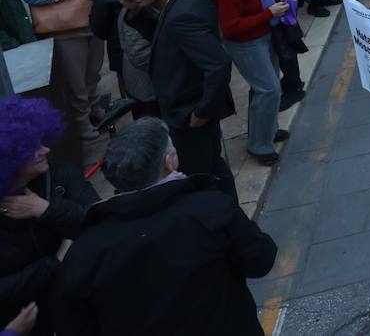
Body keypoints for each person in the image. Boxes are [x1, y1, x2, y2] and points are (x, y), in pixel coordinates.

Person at [52, 117, 278, 336]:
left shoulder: (86, 250)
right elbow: (260, 260)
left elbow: (73, 324)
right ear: (169, 163)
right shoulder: (211, 209)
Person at [111, 0, 236, 196]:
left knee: (201, 182)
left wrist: (202, 111)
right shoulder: (183, 2)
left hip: (188, 116)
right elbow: (166, 37)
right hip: (189, 113)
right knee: (215, 170)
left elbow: (218, 64)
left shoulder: (181, 14)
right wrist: (133, 11)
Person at [0, 96, 98, 334]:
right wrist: (55, 262)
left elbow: (101, 219)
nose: (46, 149)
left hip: (84, 300)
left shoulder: (63, 176)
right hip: (30, 321)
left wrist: (44, 210)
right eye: (33, 147)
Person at [200, 0, 292, 166]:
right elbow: (230, 27)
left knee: (269, 88)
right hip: (246, 44)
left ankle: (268, 131)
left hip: (262, 38)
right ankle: (259, 145)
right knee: (268, 89)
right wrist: (269, 13)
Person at [20, 0, 109, 170]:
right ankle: (82, 124)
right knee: (76, 81)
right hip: (66, 30)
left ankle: (95, 110)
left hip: (93, 23)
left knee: (92, 74)